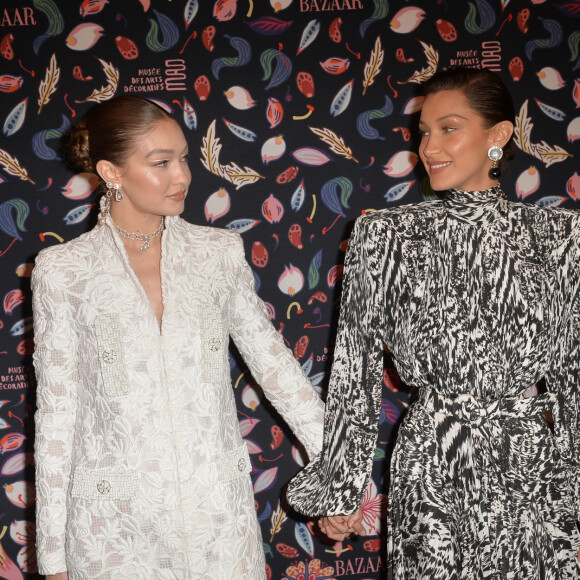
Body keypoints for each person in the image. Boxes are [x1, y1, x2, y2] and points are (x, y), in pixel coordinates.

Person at [286, 67, 580, 578]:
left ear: (499, 136)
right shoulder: (386, 234)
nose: (430, 146)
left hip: (530, 468)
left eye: (449, 128)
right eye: (424, 131)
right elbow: (353, 370)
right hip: (433, 463)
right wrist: (341, 487)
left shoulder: (559, 236)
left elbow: (572, 375)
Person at [32, 95, 325, 580]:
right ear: (112, 172)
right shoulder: (64, 272)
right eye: (161, 163)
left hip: (216, 517)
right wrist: (54, 554)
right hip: (112, 527)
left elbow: (277, 370)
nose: (183, 176)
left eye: (184, 158)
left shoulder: (216, 254)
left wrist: (340, 474)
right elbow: (57, 415)